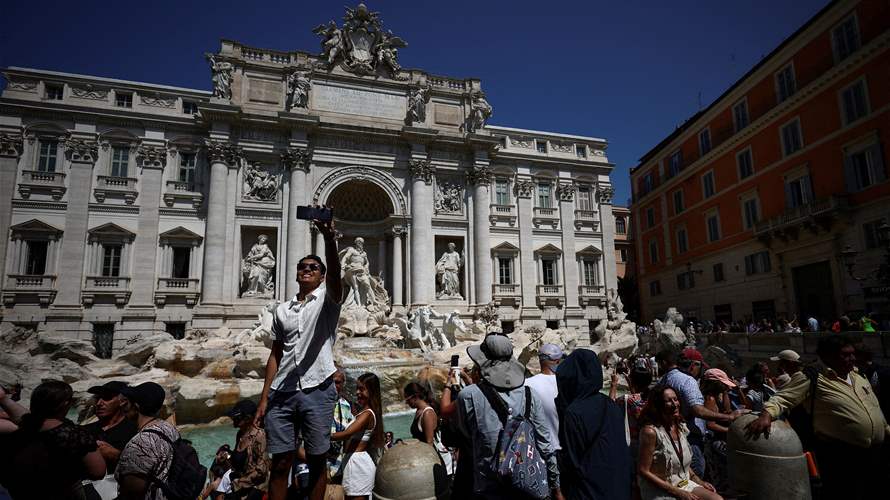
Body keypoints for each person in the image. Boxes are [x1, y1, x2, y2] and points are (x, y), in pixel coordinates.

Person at [255, 213, 342, 500]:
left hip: (318, 389)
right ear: (296, 273)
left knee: (318, 461)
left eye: (313, 267)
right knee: (280, 463)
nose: (307, 270)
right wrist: (264, 398)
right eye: (302, 267)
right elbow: (276, 353)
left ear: (321, 275)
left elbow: (337, 277)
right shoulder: (281, 310)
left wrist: (330, 239)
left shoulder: (328, 302)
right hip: (282, 392)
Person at [745, 335, 890, 499]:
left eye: (852, 354)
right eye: (845, 355)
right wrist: (766, 415)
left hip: (877, 453)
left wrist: (885, 428)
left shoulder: (859, 376)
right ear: (828, 356)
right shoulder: (812, 376)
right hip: (842, 457)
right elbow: (782, 398)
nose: (852, 358)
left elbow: (874, 407)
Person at [456, 334, 561, 499]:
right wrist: (556, 485)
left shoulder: (467, 396)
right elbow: (545, 443)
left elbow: (466, 434)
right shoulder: (530, 394)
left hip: (487, 487)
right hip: (527, 484)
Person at [0, 380, 106, 500]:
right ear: (66, 404)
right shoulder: (76, 435)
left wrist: (3, 399)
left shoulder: (19, 432)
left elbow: (24, 417)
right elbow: (98, 472)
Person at [556, 349, 631, 500]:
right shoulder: (611, 404)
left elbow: (572, 460)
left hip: (589, 490)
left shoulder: (573, 412)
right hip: (618, 485)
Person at [655, 350, 737, 478]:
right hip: (690, 438)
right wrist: (729, 417)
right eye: (700, 365)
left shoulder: (663, 380)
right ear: (692, 365)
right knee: (695, 475)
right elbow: (698, 410)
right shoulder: (687, 381)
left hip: (673, 434)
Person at [638, 385, 721, 500]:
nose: (675, 404)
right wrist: (677, 492)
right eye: (668, 401)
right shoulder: (650, 432)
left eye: (675, 399)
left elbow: (681, 461)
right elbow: (643, 471)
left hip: (683, 483)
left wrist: (698, 480)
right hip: (660, 488)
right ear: (658, 405)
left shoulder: (680, 426)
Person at [116, 382, 178, 500]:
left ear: (137, 406)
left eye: (127, 402)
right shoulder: (169, 429)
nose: (123, 406)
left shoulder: (140, 443)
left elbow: (131, 492)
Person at [331, 373, 384, 500]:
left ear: (371, 391)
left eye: (362, 389)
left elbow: (347, 434)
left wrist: (322, 436)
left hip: (358, 464)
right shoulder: (362, 413)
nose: (357, 392)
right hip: (352, 462)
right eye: (357, 388)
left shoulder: (367, 414)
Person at [83, 381, 139, 499]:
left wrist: (118, 456)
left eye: (106, 398)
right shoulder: (83, 431)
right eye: (98, 398)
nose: (99, 403)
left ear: (122, 401)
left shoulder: (136, 431)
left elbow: (147, 468)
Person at [699, 369, 741, 495]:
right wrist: (730, 430)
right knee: (719, 472)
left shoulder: (718, 396)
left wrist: (726, 392)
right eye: (722, 384)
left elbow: (727, 410)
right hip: (713, 441)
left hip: (719, 439)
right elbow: (710, 425)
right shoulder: (710, 399)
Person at [216, 400, 267, 499]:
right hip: (239, 482)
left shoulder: (259, 436)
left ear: (248, 418)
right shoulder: (240, 434)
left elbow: (261, 471)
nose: (233, 419)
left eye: (236, 417)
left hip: (255, 487)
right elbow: (239, 462)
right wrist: (226, 458)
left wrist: (239, 484)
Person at [403, 381, 452, 474]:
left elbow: (429, 443)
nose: (407, 403)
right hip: (427, 456)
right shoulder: (419, 411)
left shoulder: (427, 413)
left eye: (407, 399)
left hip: (437, 458)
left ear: (415, 397)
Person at [525, 343, 565, 451]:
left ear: (539, 360)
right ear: (558, 361)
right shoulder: (569, 382)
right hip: (567, 448)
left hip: (540, 449)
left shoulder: (527, 384)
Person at [328, 368, 355, 481]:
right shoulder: (315, 403)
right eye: (331, 382)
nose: (334, 385)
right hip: (315, 464)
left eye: (338, 382)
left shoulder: (346, 405)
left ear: (343, 384)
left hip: (339, 465)